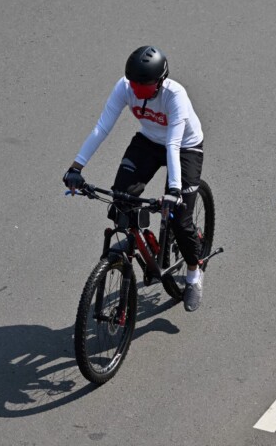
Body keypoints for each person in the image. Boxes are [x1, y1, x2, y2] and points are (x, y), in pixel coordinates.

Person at [63, 45, 205, 312]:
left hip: (184, 146)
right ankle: (145, 244)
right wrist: (76, 167)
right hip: (149, 142)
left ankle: (194, 274)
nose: (137, 88)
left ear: (160, 81)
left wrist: (173, 191)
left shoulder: (175, 96)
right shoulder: (125, 87)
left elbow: (174, 144)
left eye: (145, 84)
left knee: (181, 217)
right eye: (134, 82)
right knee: (120, 197)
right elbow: (102, 127)